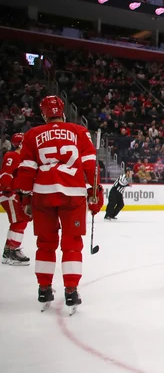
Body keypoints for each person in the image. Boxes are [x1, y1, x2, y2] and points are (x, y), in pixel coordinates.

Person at [12, 95, 104, 313]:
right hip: (73, 193)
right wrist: (95, 192)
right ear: (62, 112)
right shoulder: (79, 131)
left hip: (42, 194)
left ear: (44, 115)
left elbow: (26, 169)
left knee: (45, 243)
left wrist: (25, 198)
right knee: (72, 243)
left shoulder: (32, 134)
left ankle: (44, 288)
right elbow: (90, 164)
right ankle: (71, 291)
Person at [0, 133, 31, 266]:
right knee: (19, 220)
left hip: (14, 193)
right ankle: (11, 251)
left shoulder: (22, 158)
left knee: (21, 220)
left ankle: (10, 250)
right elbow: (6, 172)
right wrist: (7, 187)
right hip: (9, 194)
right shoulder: (13, 155)